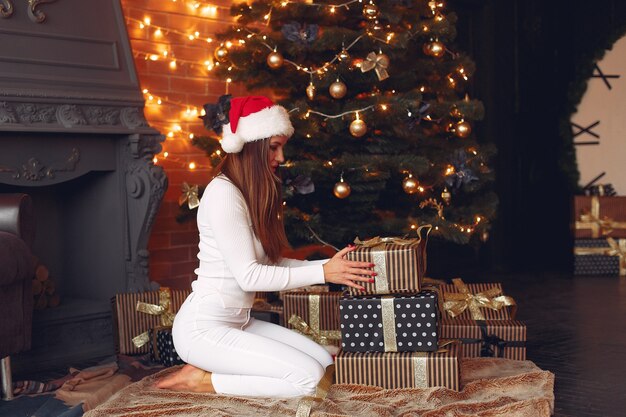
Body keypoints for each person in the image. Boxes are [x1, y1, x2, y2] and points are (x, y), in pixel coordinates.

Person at [155, 95, 375, 398]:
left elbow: (271, 265)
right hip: (203, 330)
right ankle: (203, 380)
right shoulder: (223, 194)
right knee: (309, 381)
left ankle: (216, 368)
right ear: (251, 145)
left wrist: (331, 268)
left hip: (238, 323)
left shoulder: (250, 195)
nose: (282, 157)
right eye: (274, 147)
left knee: (325, 364)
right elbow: (250, 277)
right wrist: (323, 273)